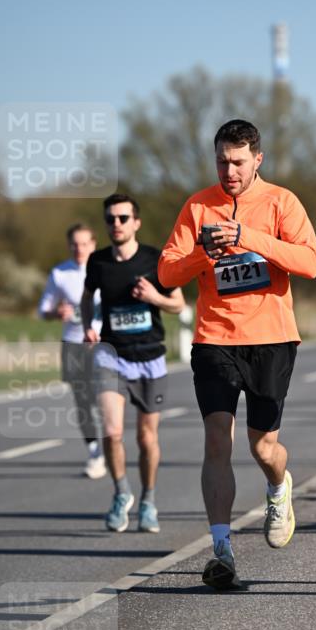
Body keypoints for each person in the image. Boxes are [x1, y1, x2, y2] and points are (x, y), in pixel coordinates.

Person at [158, 119, 316, 590]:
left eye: (237, 162)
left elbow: (309, 262)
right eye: (221, 161)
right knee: (216, 440)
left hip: (270, 337)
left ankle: (278, 487)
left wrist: (248, 237)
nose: (229, 171)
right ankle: (222, 549)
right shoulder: (198, 206)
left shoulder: (281, 202)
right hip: (214, 338)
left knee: (263, 447)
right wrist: (203, 254)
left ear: (257, 160)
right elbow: (167, 274)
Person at [81, 194, 185, 533]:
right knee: (112, 432)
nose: (116, 224)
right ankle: (121, 493)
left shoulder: (156, 260)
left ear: (136, 222)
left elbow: (178, 303)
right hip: (112, 356)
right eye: (110, 219)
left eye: (123, 218)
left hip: (150, 357)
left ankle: (148, 501)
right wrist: (88, 326)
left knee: (146, 438)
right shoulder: (97, 262)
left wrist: (153, 297)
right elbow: (87, 297)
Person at [38, 223, 105, 478]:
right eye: (75, 244)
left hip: (104, 343)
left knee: (106, 398)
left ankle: (109, 443)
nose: (80, 249)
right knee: (83, 401)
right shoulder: (60, 273)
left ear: (94, 244)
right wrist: (56, 312)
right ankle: (95, 451)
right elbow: (42, 310)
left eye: (85, 243)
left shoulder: (104, 269)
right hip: (74, 344)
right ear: (69, 246)